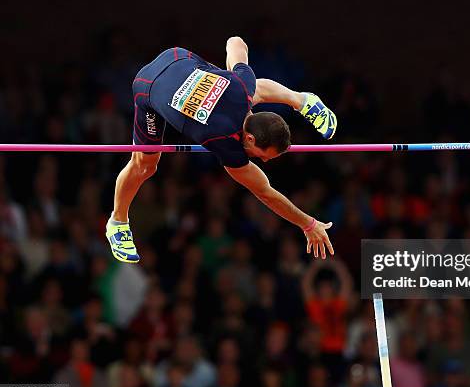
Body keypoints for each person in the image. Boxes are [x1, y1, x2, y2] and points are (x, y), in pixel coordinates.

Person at [106, 37, 337, 263]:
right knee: (145, 165)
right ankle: (117, 222)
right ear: (250, 138)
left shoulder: (241, 87)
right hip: (148, 87)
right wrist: (308, 224)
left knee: (249, 89)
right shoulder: (222, 140)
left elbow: (235, 42)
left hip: (178, 57)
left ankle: (303, 100)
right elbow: (265, 192)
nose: (264, 162)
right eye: (263, 156)